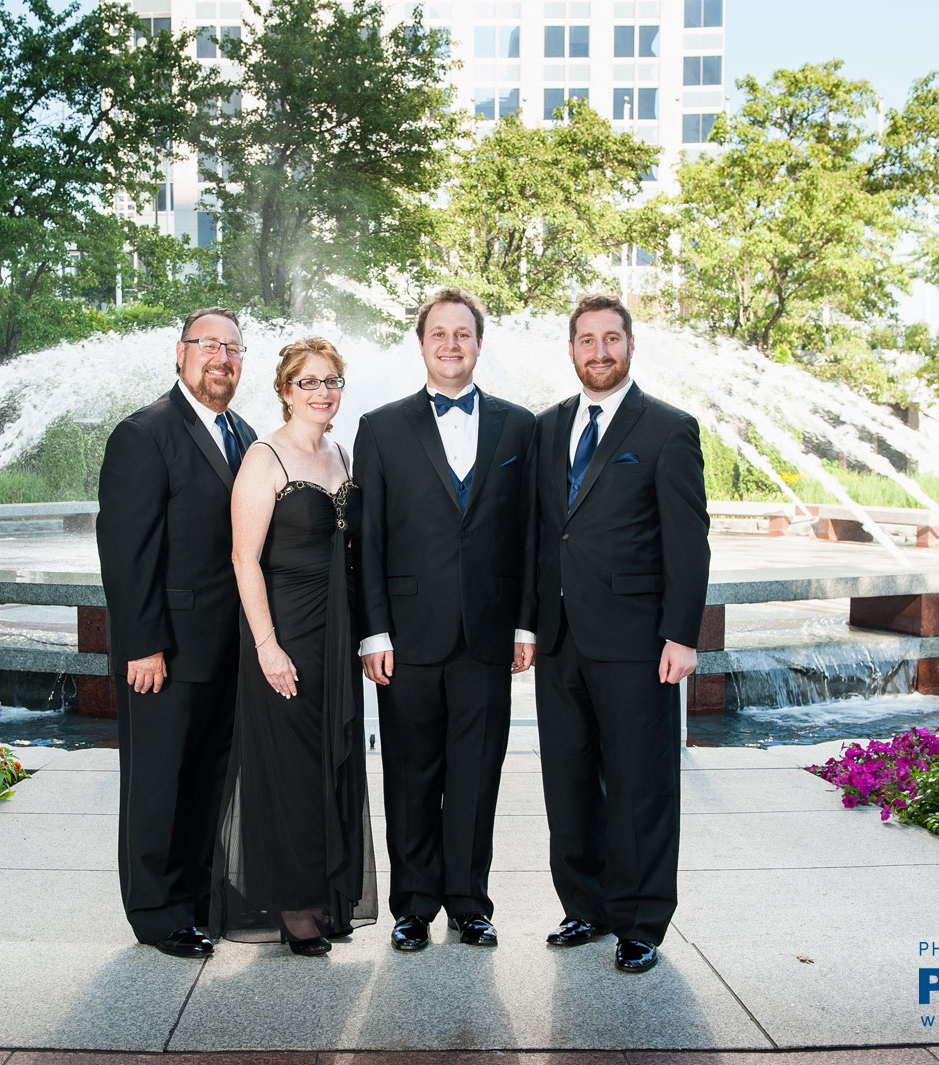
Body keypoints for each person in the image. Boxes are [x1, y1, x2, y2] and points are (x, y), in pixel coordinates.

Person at [529, 293, 711, 974]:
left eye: (611, 339)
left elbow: (688, 543)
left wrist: (681, 634)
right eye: (586, 340)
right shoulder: (547, 428)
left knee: (641, 782)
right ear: (571, 349)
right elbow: (543, 535)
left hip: (638, 640)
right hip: (560, 636)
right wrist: (529, 622)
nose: (598, 352)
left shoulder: (668, 428)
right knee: (568, 778)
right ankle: (586, 904)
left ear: (630, 347)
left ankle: (640, 919)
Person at [354, 287, 537, 953]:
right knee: (409, 774)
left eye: (464, 334)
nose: (451, 344)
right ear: (422, 342)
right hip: (404, 637)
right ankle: (413, 906)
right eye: (440, 333)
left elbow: (531, 534)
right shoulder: (379, 426)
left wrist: (526, 623)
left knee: (476, 773)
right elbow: (366, 539)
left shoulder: (522, 426)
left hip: (488, 636)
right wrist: (372, 630)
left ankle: (469, 902)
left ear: (478, 344)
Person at [96, 307, 256, 958]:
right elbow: (126, 550)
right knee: (158, 785)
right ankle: (157, 913)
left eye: (232, 348)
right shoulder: (144, 433)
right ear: (180, 352)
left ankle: (195, 898)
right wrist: (142, 643)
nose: (221, 358)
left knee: (207, 783)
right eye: (208, 345)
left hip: (228, 649)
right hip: (164, 650)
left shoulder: (245, 434)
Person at [211, 336, 376, 955]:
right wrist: (267, 647)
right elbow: (243, 559)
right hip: (286, 637)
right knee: (288, 774)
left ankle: (328, 893)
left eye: (332, 380)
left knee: (330, 764)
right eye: (309, 382)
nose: (323, 392)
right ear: (284, 390)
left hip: (337, 639)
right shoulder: (264, 459)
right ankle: (293, 905)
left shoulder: (342, 452)